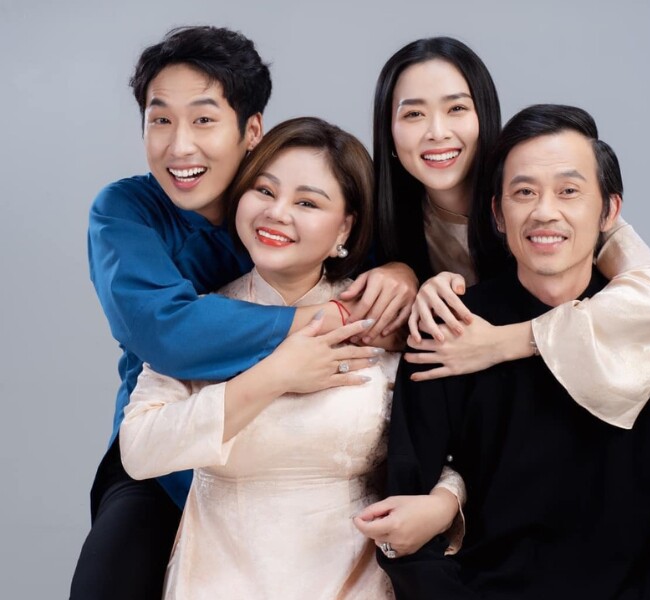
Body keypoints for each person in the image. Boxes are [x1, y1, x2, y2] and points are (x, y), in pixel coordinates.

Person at [71, 26, 417, 600]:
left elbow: (377, 289)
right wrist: (322, 326)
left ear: (251, 130)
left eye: (204, 119)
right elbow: (168, 332)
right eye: (161, 120)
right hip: (170, 453)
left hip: (308, 462)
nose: (180, 146)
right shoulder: (126, 210)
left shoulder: (286, 199)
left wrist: (403, 271)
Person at [380, 104, 650, 599]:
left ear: (609, 212)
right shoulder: (448, 326)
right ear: (497, 213)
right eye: (524, 192)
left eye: (569, 191)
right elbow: (405, 511)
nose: (544, 211)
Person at [355, 36, 650, 556]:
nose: (437, 131)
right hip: (484, 491)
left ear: (484, 115)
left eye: (456, 108)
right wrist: (405, 275)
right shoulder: (381, 226)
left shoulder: (544, 200)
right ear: (389, 130)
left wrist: (506, 342)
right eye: (414, 114)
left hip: (591, 464)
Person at [120, 116, 465, 599]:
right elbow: (139, 450)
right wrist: (277, 374)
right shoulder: (200, 320)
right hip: (217, 578)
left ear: (345, 226)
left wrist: (446, 504)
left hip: (356, 581)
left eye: (307, 202)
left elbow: (444, 449)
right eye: (264, 190)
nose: (277, 212)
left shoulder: (381, 318)